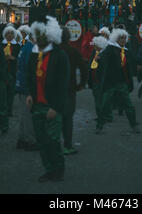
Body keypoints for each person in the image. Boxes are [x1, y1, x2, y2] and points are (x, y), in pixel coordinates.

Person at [26, 18, 69, 182]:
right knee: (42, 141)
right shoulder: (34, 54)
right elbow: (30, 76)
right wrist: (30, 94)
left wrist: (56, 107)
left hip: (52, 106)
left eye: (41, 36)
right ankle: (49, 170)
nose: (37, 39)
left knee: (52, 140)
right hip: (37, 105)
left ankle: (58, 169)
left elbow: (62, 85)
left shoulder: (59, 55)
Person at [95, 28, 139, 134]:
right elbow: (103, 55)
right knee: (105, 105)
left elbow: (135, 60)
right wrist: (99, 57)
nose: (123, 40)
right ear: (116, 39)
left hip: (122, 83)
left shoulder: (126, 51)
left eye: (125, 38)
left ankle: (133, 125)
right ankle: (99, 126)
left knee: (128, 105)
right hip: (110, 83)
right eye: (121, 38)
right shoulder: (111, 48)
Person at [60, 27, 88, 155]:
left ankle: (53, 144)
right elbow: (83, 68)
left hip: (52, 89)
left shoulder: (51, 51)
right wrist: (81, 83)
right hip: (69, 88)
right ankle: (67, 145)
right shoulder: (73, 51)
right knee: (67, 118)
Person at [15, 25, 37, 150]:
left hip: (21, 84)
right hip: (26, 85)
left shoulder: (25, 47)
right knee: (28, 114)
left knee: (23, 113)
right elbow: (31, 69)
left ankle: (22, 138)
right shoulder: (31, 49)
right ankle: (30, 140)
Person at [88, 35, 109, 121]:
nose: (95, 46)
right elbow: (90, 65)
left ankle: (104, 116)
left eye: (96, 45)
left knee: (103, 100)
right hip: (94, 80)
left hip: (102, 80)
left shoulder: (105, 54)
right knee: (97, 99)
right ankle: (100, 115)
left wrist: (100, 60)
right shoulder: (94, 53)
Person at [2, 25, 20, 117]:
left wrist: (13, 58)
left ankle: (9, 109)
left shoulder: (17, 46)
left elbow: (20, 59)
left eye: (12, 33)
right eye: (8, 33)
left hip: (12, 72)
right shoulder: (1, 45)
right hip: (2, 72)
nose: (9, 35)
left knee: (11, 92)